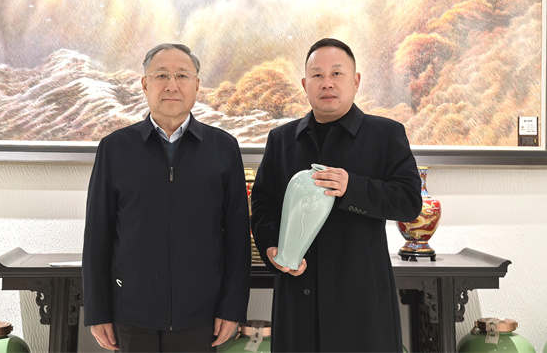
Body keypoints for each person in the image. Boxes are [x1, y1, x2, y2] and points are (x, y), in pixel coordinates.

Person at [250, 38, 423, 352]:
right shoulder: (282, 139)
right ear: (305, 84)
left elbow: (409, 202)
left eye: (337, 74)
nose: (326, 83)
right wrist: (272, 247)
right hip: (297, 294)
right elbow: (263, 206)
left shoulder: (386, 134)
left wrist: (351, 187)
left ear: (355, 81)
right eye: (317, 75)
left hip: (361, 298)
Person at [82, 43, 251, 352]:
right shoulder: (115, 148)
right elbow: (97, 235)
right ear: (145, 84)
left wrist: (232, 307)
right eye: (161, 75)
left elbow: (237, 237)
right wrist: (97, 310)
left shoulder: (223, 148)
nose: (172, 85)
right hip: (131, 313)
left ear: (196, 85)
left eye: (182, 75)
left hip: (201, 313)